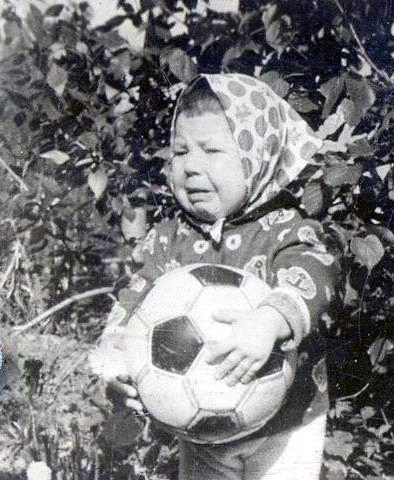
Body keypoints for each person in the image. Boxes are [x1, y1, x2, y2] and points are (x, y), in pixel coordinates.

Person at [96, 73, 340, 480]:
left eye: (211, 150)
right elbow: (133, 298)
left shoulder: (287, 230)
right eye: (181, 151)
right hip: (200, 425)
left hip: (290, 421)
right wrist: (115, 363)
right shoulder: (168, 238)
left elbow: (317, 271)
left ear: (257, 157)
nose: (191, 166)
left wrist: (270, 321)